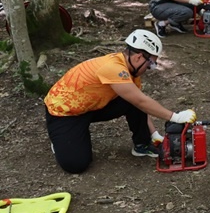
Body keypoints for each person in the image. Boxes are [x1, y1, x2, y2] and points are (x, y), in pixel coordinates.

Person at [44, 29, 197, 174]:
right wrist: (175, 117)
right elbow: (141, 101)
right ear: (138, 57)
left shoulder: (129, 71)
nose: (150, 68)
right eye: (150, 63)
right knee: (76, 165)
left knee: (132, 100)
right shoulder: (113, 68)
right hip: (65, 112)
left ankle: (141, 145)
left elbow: (138, 102)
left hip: (91, 106)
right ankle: (60, 142)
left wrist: (154, 134)